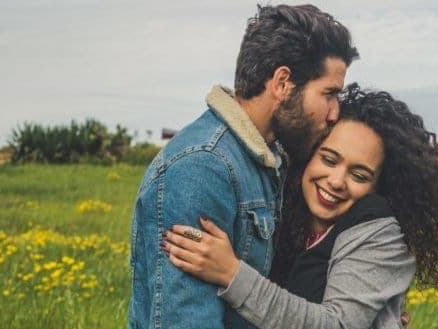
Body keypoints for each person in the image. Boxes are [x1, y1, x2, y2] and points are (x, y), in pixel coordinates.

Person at [162, 84, 438, 328]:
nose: (336, 181)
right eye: (329, 159)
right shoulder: (282, 212)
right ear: (308, 156)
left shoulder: (382, 231)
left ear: (378, 187)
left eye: (359, 174)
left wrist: (231, 273)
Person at [128, 4, 358, 329]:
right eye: (329, 94)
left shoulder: (271, 157)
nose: (335, 112)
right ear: (281, 83)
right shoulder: (202, 169)